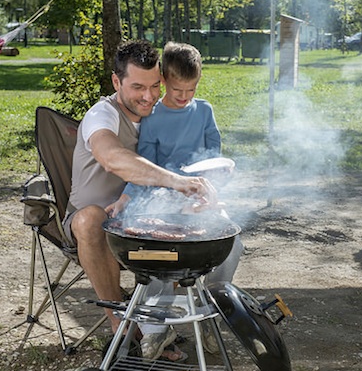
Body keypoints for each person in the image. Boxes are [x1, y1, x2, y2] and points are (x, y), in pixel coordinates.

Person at [63, 40, 217, 359]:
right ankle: (124, 329)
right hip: (92, 225)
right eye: (137, 87)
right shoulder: (102, 115)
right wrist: (175, 181)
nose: (148, 96)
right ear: (116, 82)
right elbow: (112, 157)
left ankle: (156, 329)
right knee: (91, 218)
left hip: (141, 223)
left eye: (154, 86)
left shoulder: (156, 115)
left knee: (196, 231)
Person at [114, 41, 244, 360]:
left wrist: (214, 185)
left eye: (191, 89)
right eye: (176, 90)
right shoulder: (154, 118)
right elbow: (145, 167)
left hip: (202, 195)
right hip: (164, 196)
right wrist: (126, 195)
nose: (184, 97)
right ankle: (156, 331)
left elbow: (214, 156)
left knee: (232, 243)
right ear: (164, 82)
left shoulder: (204, 111)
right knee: (160, 251)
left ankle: (209, 312)